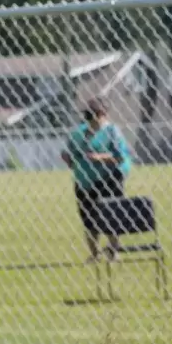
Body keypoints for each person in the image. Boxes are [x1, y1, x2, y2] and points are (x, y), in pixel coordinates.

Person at [60, 97, 132, 263]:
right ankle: (94, 254)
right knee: (89, 219)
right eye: (88, 116)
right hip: (85, 181)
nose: (91, 120)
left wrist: (99, 157)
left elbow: (120, 157)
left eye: (95, 115)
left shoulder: (112, 131)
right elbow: (69, 154)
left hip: (109, 179)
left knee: (112, 215)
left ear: (103, 114)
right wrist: (68, 158)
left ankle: (113, 253)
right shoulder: (78, 133)